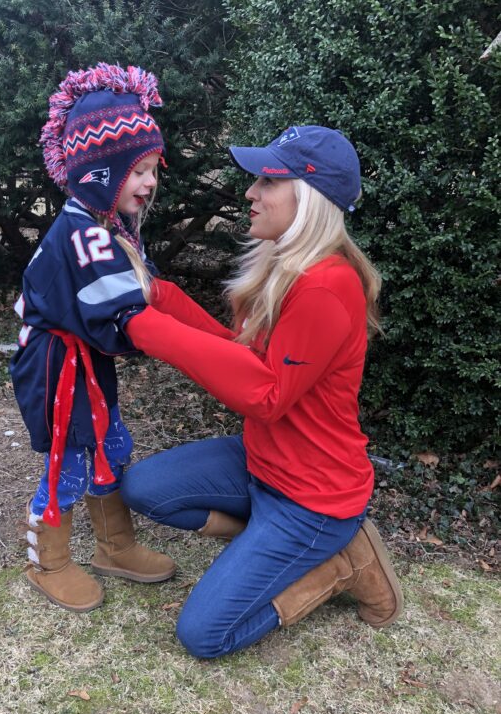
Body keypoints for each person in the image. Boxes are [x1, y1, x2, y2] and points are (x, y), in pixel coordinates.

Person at [120, 125, 403, 658]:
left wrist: (144, 328)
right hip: (262, 463)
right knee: (143, 489)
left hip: (313, 499)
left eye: (268, 180)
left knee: (204, 636)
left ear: (310, 197)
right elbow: (245, 357)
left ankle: (339, 564)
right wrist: (156, 297)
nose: (250, 193)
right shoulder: (285, 266)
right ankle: (267, 545)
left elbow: (266, 394)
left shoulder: (327, 284)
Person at [10, 63, 176, 614]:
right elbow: (129, 317)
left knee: (109, 444)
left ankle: (115, 545)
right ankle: (48, 561)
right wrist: (198, 352)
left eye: (154, 169)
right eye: (138, 170)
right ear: (101, 171)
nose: (150, 182)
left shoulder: (105, 226)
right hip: (55, 365)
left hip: (83, 360)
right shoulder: (83, 236)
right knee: (69, 458)